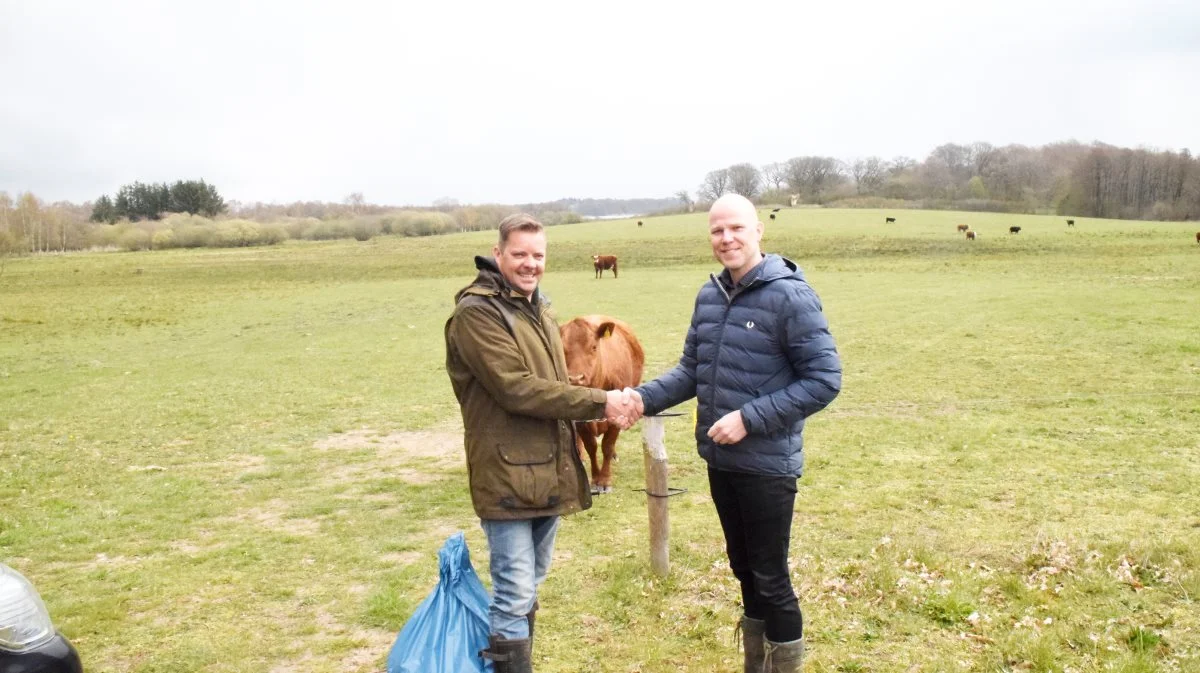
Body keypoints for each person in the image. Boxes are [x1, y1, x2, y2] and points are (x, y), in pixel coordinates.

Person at [630, 194, 842, 673]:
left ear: (758, 231)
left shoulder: (790, 295)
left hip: (767, 466)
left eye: (736, 229)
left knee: (771, 579)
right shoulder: (709, 296)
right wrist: (641, 399)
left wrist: (749, 418)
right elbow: (691, 370)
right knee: (744, 570)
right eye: (717, 231)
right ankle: (756, 665)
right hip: (722, 462)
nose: (726, 238)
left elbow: (824, 380)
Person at [444, 213, 638, 673]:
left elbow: (557, 383)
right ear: (497, 254)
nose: (530, 264)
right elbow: (517, 388)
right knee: (513, 591)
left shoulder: (538, 310)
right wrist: (602, 401)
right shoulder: (478, 314)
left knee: (529, 584)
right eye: (520, 254)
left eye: (538, 255)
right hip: (507, 471)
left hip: (548, 468)